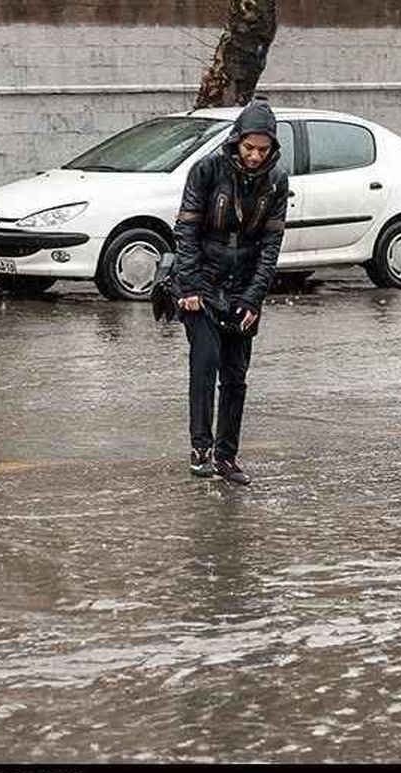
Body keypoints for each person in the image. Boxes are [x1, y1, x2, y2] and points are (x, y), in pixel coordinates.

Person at [172, 99, 289, 485]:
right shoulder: (206, 170)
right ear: (237, 141)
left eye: (263, 149)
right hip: (201, 284)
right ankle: (200, 449)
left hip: (242, 288)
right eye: (248, 148)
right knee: (204, 363)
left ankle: (227, 456)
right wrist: (188, 286)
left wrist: (254, 298)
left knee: (236, 378)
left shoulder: (276, 181)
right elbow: (186, 231)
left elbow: (271, 246)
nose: (254, 156)